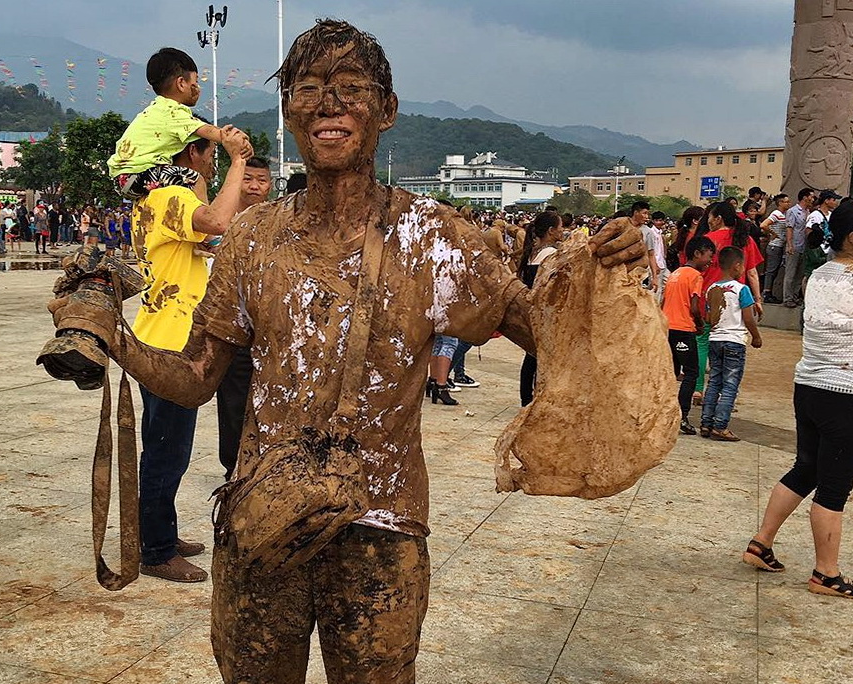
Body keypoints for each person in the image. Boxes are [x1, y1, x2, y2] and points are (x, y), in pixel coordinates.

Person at [50, 20, 645, 681]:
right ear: (288, 110)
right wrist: (116, 338)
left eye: (350, 87)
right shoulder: (252, 238)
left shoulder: (434, 237)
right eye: (308, 87)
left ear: (386, 110)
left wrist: (606, 278)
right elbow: (194, 378)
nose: (328, 103)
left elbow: (553, 337)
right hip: (261, 527)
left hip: (381, 533)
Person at [131, 123, 252, 583]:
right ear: (192, 155)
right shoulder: (171, 196)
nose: (210, 163)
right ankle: (156, 550)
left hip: (161, 332)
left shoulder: (156, 200)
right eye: (209, 155)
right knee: (167, 450)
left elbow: (208, 240)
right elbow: (218, 222)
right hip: (171, 342)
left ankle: (160, 531)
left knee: (165, 445)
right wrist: (239, 161)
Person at [743, 200, 853, 598]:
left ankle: (761, 543)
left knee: (806, 468)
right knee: (833, 488)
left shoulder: (819, 275)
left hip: (809, 386)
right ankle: (826, 574)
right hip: (848, 394)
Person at [108, 47, 251, 198]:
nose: (198, 89)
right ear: (181, 83)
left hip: (123, 177)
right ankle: (207, 218)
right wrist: (236, 139)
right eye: (195, 82)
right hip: (138, 175)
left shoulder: (155, 110)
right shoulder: (173, 112)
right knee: (196, 181)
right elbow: (208, 132)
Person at [215, 156, 272, 478]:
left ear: (270, 184)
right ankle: (233, 466)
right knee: (234, 400)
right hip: (232, 326)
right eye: (247, 178)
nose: (254, 186)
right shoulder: (218, 218)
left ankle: (266, 462)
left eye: (261, 180)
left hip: (269, 329)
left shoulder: (277, 220)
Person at [691, 201, 764, 404]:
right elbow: (752, 272)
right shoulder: (745, 240)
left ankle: (698, 389)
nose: (709, 221)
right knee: (732, 345)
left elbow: (695, 271)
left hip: (708, 297)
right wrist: (757, 299)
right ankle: (725, 394)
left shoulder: (705, 240)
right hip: (736, 300)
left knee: (703, 344)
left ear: (719, 218)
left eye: (711, 217)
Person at [700, 246, 763, 441]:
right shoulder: (741, 289)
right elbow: (748, 317)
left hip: (715, 339)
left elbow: (709, 317)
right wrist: (756, 336)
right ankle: (720, 426)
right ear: (737, 266)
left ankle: (706, 422)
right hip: (734, 340)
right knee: (730, 384)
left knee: (714, 382)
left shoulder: (711, 288)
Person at [662, 235, 715, 435]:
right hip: (684, 329)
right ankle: (682, 416)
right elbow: (694, 306)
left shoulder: (675, 274)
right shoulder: (695, 276)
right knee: (691, 372)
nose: (710, 261)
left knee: (671, 372)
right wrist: (700, 324)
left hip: (668, 327)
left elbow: (664, 302)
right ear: (697, 253)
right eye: (708, 256)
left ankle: (664, 413)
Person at [516, 210, 562, 406]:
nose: (563, 231)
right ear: (551, 231)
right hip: (546, 313)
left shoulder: (533, 253)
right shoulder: (551, 254)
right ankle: (535, 400)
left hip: (533, 311)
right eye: (560, 228)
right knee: (541, 358)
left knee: (531, 356)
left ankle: (526, 398)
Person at [784, 187, 815, 307]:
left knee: (800, 274)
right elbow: (789, 228)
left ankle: (795, 296)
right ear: (804, 197)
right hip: (795, 245)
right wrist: (790, 244)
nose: (812, 199)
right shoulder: (792, 211)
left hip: (804, 246)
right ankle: (788, 298)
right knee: (790, 273)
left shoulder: (808, 212)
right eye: (811, 196)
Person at [759, 193, 791, 303]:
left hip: (780, 245)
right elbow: (763, 225)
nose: (788, 204)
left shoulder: (784, 214)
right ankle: (766, 292)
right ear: (780, 203)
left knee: (775, 270)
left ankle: (769, 292)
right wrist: (772, 233)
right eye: (786, 202)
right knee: (771, 270)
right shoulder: (776, 214)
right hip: (774, 245)